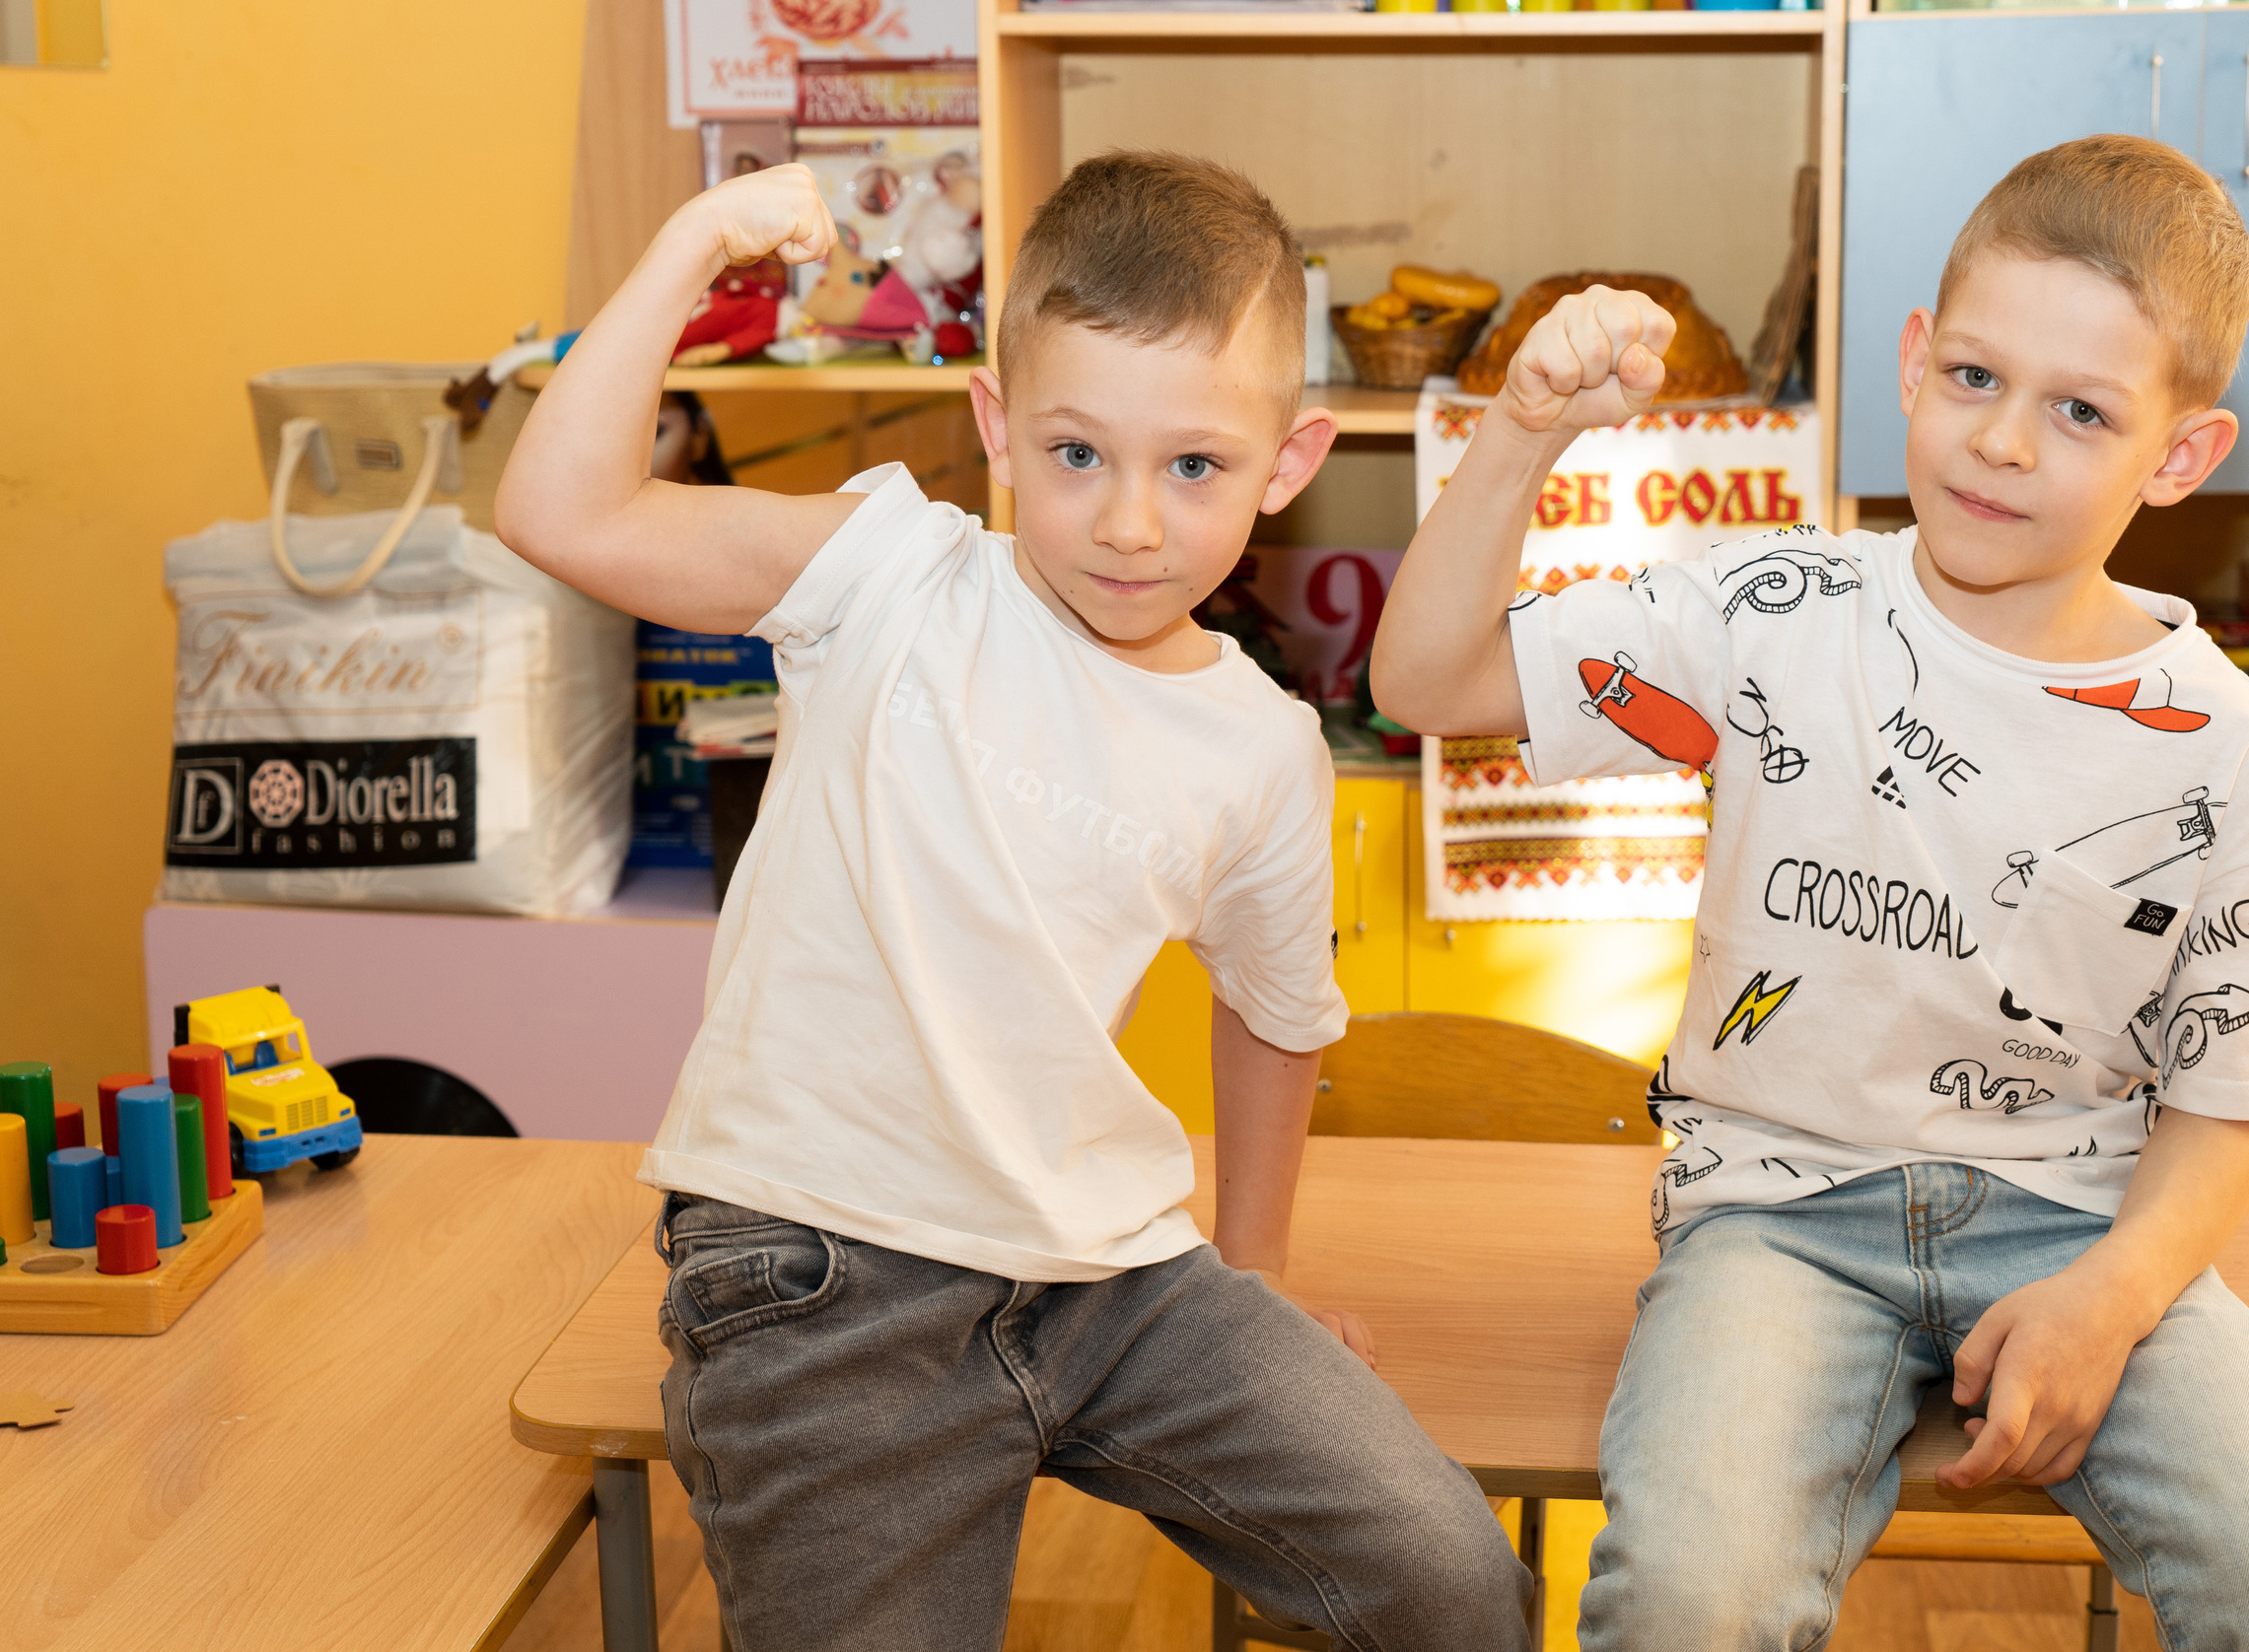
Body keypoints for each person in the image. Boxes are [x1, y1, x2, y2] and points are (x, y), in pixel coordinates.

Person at [1370, 134, 2249, 1650]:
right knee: (1687, 1601)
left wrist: (2115, 1298)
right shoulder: (1769, 612)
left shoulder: (2221, 736)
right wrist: (1524, 429)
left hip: (2082, 1221)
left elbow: (2234, 1089)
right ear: (1915, 363)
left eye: (2082, 412)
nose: (2002, 443)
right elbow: (1424, 680)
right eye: (1978, 378)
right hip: (1774, 1223)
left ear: (2180, 457)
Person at [494, 152, 1531, 1650]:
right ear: (997, 428)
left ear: (1289, 463)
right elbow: (559, 509)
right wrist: (692, 244)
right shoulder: (887, 573)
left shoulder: (1261, 744)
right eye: (1076, 454)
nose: (1127, 526)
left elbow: (1278, 1013)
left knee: (1451, 1583)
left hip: (1117, 1279)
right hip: (820, 1272)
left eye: (1194, 467)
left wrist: (1259, 1277)